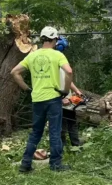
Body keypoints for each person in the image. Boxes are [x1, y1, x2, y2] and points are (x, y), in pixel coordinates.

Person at [10, 26, 73, 173]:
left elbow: (14, 72)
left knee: (36, 132)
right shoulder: (57, 55)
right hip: (53, 98)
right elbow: (69, 71)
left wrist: (27, 89)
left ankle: (25, 164)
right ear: (55, 40)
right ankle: (56, 165)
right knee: (55, 132)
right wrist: (64, 90)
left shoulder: (32, 55)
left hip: (37, 99)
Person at [55, 36, 82, 147]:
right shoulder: (52, 62)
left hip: (68, 98)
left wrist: (77, 91)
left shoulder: (62, 60)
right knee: (61, 125)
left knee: (72, 122)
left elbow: (67, 78)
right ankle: (63, 147)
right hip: (58, 98)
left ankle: (76, 145)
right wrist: (61, 98)